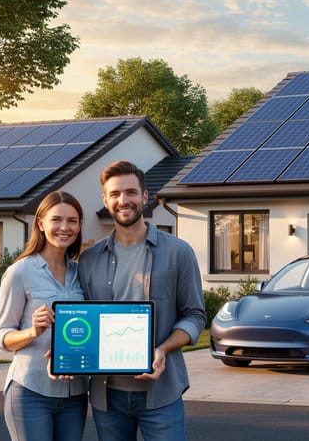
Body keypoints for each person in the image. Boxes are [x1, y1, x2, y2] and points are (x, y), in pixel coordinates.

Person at [78, 160, 205, 441]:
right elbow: (81, 318)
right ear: (105, 200)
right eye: (115, 194)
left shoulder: (179, 252)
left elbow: (195, 315)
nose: (124, 200)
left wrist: (162, 349)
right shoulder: (89, 259)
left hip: (161, 394)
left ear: (145, 196)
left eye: (131, 192)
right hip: (107, 397)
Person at [0, 191, 89, 441]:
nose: (64, 227)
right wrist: (32, 332)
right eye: (56, 219)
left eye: (72, 220)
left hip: (75, 394)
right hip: (30, 391)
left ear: (79, 225)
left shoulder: (83, 273)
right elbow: (1, 336)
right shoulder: (20, 273)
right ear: (41, 223)